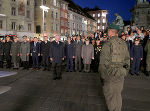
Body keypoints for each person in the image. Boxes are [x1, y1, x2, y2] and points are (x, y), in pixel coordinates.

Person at [99, 24, 130, 111]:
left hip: (110, 75)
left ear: (110, 32)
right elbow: (127, 60)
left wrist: (102, 77)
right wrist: (125, 71)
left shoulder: (108, 44)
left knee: (110, 97)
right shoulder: (123, 43)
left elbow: (103, 64)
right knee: (117, 95)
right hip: (121, 75)